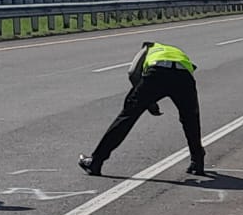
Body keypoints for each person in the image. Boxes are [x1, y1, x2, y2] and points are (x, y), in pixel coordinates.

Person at [79, 42, 204, 177]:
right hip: (183, 76)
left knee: (127, 116)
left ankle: (95, 161)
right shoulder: (178, 53)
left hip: (157, 74)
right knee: (190, 119)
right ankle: (197, 160)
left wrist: (148, 102)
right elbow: (191, 69)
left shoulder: (149, 48)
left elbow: (133, 72)